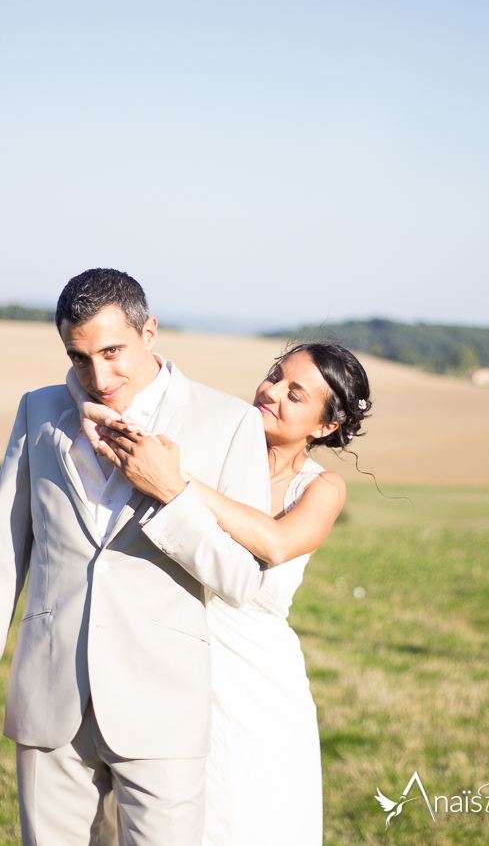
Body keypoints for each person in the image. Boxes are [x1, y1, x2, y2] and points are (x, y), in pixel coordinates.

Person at [0, 268, 271, 846]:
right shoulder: (37, 411)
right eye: (79, 358)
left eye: (113, 351)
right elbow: (4, 551)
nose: (99, 377)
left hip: (162, 703)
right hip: (50, 699)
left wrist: (172, 494)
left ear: (150, 330)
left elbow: (243, 578)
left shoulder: (229, 423)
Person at [71, 340, 372, 846]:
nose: (271, 392)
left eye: (295, 394)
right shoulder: (213, 449)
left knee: (247, 818)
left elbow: (275, 543)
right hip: (168, 660)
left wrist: (175, 483)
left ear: (324, 427)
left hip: (256, 685)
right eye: (275, 375)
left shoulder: (321, 488)